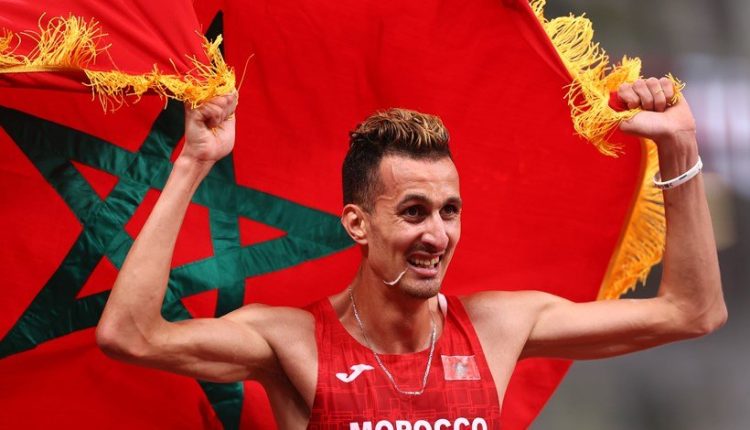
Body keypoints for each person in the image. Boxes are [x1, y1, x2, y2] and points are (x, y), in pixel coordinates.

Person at [96, 77, 726, 429]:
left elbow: (692, 311)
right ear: (358, 224)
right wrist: (194, 162)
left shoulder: (499, 327)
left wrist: (679, 147)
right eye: (413, 212)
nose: (437, 235)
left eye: (449, 211)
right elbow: (131, 335)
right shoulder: (291, 342)